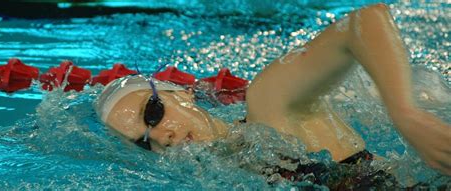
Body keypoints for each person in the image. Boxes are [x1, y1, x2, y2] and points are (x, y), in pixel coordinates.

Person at [95, 3, 451, 176]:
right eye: (143, 141)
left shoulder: (269, 104)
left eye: (152, 113)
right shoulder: (225, 171)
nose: (161, 136)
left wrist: (405, 114)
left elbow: (362, 20)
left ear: (181, 93)